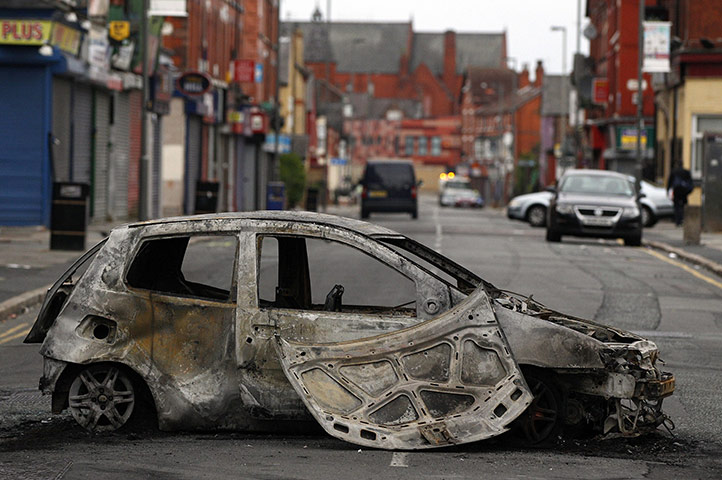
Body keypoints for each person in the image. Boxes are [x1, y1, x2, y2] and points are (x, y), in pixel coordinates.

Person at [666, 161, 693, 226]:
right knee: (684, 205)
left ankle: (678, 221)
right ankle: (684, 219)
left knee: (676, 206)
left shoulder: (674, 172)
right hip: (684, 191)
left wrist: (668, 190)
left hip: (676, 191)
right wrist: (689, 190)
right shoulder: (686, 172)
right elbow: (690, 182)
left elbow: (670, 182)